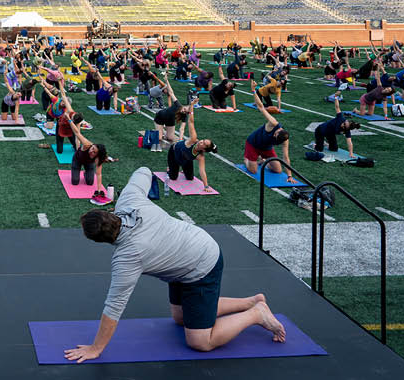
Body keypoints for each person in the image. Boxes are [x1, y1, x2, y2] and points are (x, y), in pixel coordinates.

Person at [65, 168, 286, 362]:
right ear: (109, 212)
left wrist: (96, 348)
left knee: (200, 341)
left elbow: (114, 307)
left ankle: (256, 314)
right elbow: (143, 170)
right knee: (180, 318)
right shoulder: (128, 200)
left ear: (101, 241)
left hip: (202, 264)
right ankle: (251, 301)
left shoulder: (128, 257)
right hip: (185, 258)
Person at [245, 81, 293, 181]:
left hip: (266, 147)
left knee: (278, 170)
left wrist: (289, 176)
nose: (274, 136)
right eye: (275, 135)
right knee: (253, 170)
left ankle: (263, 160)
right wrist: (254, 91)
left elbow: (286, 157)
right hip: (253, 143)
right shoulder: (273, 122)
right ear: (278, 130)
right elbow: (261, 107)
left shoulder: (285, 139)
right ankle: (246, 160)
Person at [166, 110, 216, 191]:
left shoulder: (200, 156)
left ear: (204, 149)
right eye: (203, 140)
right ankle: (169, 168)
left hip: (186, 159)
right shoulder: (193, 140)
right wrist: (192, 107)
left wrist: (206, 186)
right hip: (174, 154)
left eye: (204, 143)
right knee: (173, 177)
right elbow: (191, 123)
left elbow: (202, 171)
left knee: (190, 178)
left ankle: (182, 167)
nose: (201, 141)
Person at [67, 116, 108, 200]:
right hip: (77, 160)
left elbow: (99, 174)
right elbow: (77, 133)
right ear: (92, 146)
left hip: (88, 163)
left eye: (94, 152)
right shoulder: (87, 144)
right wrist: (69, 120)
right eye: (92, 149)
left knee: (90, 182)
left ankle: (86, 173)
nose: (91, 151)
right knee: (75, 182)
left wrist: (99, 189)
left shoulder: (98, 158)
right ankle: (78, 171)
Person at [152, 73, 189, 145]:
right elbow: (171, 93)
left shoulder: (184, 116)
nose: (183, 111)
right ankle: (158, 130)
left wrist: (180, 140)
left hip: (170, 121)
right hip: (160, 117)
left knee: (170, 138)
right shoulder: (178, 105)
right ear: (184, 106)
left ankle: (162, 130)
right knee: (159, 138)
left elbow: (182, 129)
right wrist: (166, 81)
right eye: (184, 109)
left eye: (185, 112)